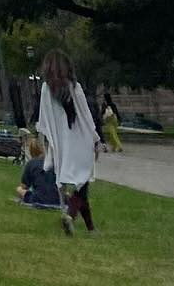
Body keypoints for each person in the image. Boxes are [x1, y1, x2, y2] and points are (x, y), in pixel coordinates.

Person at [37, 49, 100, 236]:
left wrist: (49, 143)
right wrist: (96, 140)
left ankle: (90, 228)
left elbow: (44, 119)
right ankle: (71, 217)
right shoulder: (74, 88)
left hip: (62, 146)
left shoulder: (46, 90)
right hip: (79, 141)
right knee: (83, 184)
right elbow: (86, 117)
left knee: (82, 185)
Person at [16, 134, 61, 208]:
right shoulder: (56, 163)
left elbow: (23, 187)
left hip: (37, 199)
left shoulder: (31, 163)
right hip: (58, 200)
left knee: (19, 189)